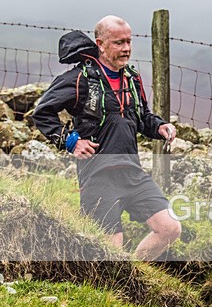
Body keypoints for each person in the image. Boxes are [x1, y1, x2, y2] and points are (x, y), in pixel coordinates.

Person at [33, 15, 181, 260]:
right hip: (98, 175)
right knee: (111, 251)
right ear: (100, 44)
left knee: (170, 228)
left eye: (129, 42)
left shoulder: (131, 78)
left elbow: (141, 117)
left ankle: (134, 273)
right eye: (118, 43)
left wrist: (160, 127)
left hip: (132, 172)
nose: (126, 49)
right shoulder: (80, 79)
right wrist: (71, 141)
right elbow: (42, 112)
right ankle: (114, 289)